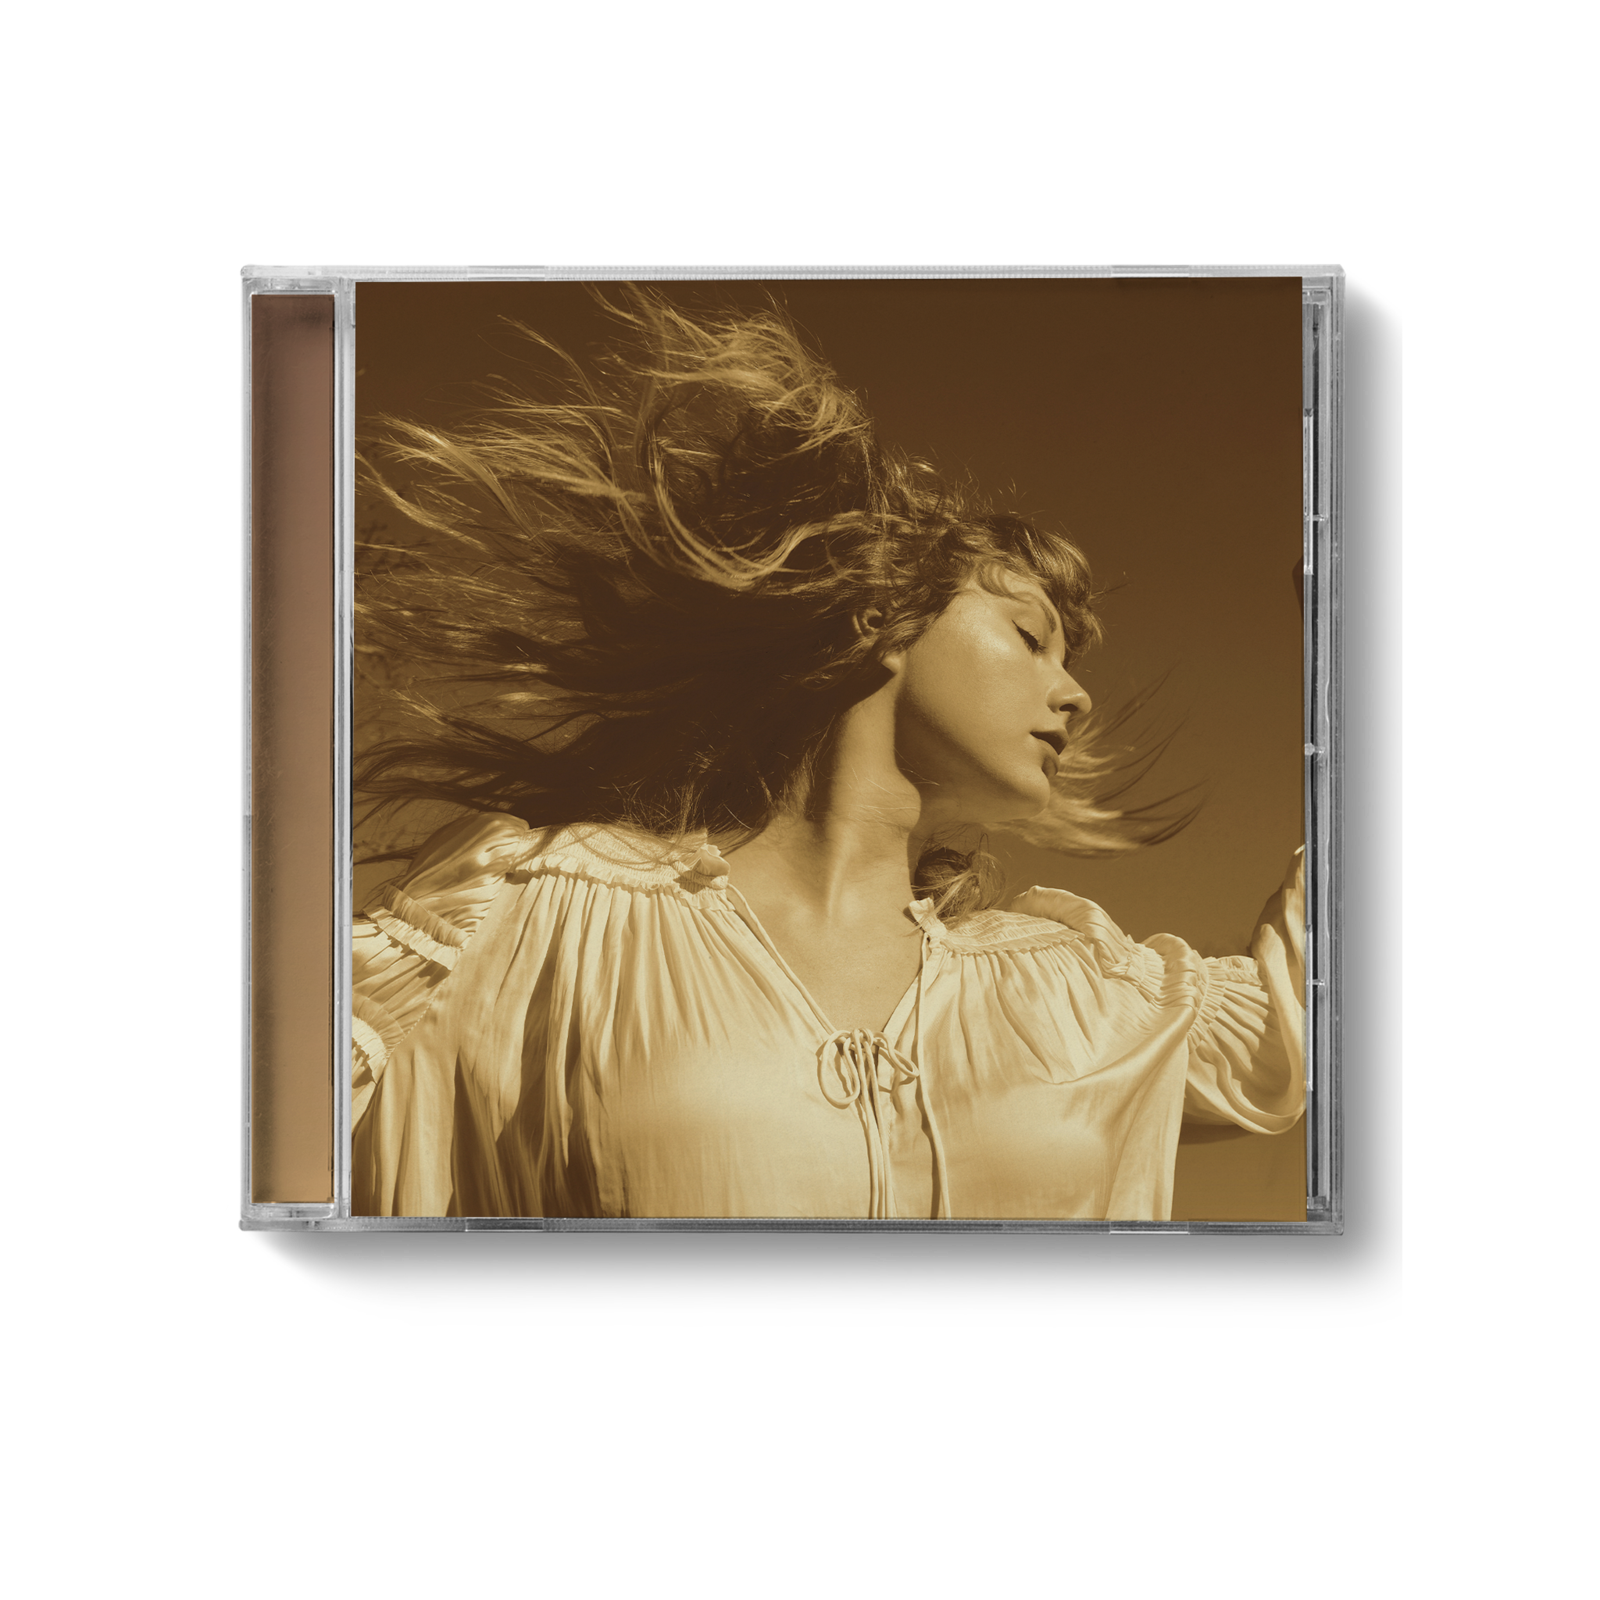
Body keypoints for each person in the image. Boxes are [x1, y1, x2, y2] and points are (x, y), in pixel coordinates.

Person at [351, 289, 1305, 1221]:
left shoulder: (1071, 989)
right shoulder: (544, 915)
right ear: (881, 618)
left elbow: (1300, 1005)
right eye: (1030, 637)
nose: (1075, 695)